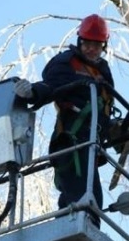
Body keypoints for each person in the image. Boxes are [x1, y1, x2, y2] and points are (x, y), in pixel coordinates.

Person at [13, 14, 116, 224]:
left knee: (86, 196)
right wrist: (32, 92)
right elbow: (51, 86)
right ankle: (77, 234)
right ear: (80, 41)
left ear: (103, 46)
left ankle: (70, 235)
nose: (91, 49)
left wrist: (124, 130)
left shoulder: (103, 74)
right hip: (71, 139)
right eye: (87, 44)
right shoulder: (67, 63)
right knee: (84, 197)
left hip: (92, 143)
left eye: (96, 46)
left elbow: (104, 114)